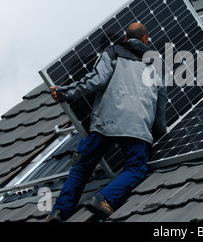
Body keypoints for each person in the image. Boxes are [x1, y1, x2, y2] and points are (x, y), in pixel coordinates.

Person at [45, 23, 167, 222]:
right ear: (146, 39)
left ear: (126, 38)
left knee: (82, 166)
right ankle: (103, 199)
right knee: (136, 168)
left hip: (107, 123)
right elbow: (161, 100)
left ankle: (59, 212)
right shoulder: (157, 63)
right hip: (137, 126)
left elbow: (96, 80)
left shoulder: (112, 52)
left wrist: (63, 92)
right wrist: (160, 129)